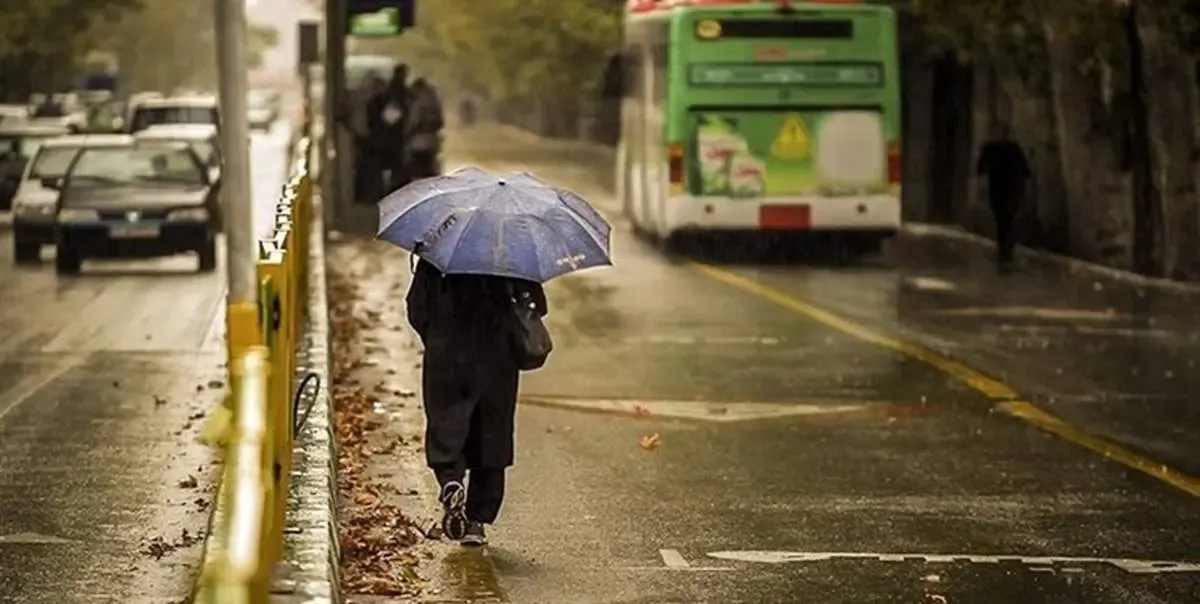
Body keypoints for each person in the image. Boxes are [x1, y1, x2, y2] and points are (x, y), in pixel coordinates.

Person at [405, 254, 548, 546]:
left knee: (447, 424)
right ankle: (476, 521)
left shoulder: (438, 255)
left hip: (447, 351)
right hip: (497, 356)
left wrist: (436, 337)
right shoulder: (512, 255)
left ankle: (450, 480)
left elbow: (416, 308)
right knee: (491, 433)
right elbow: (536, 305)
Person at [975, 123, 1031, 271]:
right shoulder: (991, 149)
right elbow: (980, 169)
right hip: (997, 190)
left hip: (1011, 190)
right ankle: (1004, 251)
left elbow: (1025, 171)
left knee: (1009, 220)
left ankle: (1007, 252)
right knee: (1002, 220)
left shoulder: (1013, 150)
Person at [402, 78, 444, 181]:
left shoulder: (416, 104)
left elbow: (412, 122)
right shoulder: (434, 103)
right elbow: (439, 122)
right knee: (429, 169)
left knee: (417, 170)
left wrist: (406, 134)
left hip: (417, 142)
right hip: (431, 141)